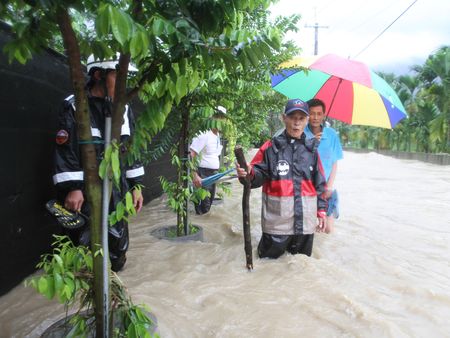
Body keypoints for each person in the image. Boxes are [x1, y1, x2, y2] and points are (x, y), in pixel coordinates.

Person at [52, 54, 144, 272]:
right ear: (98, 75)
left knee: (118, 249)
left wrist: (136, 186)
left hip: (116, 189)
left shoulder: (124, 109)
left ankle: (113, 294)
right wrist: (73, 187)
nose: (123, 85)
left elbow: (129, 150)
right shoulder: (74, 107)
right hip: (85, 191)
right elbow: (66, 151)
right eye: (117, 76)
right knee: (85, 251)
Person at [236, 99, 327, 258]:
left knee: (301, 268)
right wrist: (248, 173)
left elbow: (320, 183)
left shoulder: (312, 150)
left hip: (305, 225)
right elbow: (256, 177)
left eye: (301, 118)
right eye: (292, 117)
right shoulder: (270, 148)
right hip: (276, 225)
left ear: (306, 121)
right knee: (268, 267)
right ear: (284, 118)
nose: (296, 122)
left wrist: (321, 211)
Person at [304, 98, 343, 233]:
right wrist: (312, 143)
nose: (315, 117)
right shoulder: (301, 134)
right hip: (306, 187)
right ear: (307, 115)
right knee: (307, 228)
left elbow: (334, 163)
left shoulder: (331, 135)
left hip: (326, 187)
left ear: (324, 115)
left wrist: (329, 186)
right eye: (312, 113)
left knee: (327, 230)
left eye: (319, 114)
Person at [190, 106, 225, 215]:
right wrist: (195, 175)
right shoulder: (203, 134)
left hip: (213, 174)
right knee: (203, 207)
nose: (221, 121)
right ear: (212, 118)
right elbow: (191, 155)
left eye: (223, 119)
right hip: (202, 174)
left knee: (208, 205)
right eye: (218, 118)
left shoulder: (217, 135)